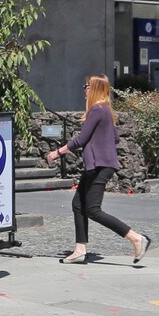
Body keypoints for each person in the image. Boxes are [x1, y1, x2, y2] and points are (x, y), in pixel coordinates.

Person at [45, 75, 150, 266]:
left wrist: (56, 153)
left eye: (86, 86)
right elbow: (115, 137)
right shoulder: (106, 110)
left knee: (93, 210)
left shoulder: (96, 109)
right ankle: (80, 250)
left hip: (100, 166)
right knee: (78, 204)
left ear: (94, 88)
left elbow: (80, 140)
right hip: (99, 164)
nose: (84, 90)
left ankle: (136, 238)